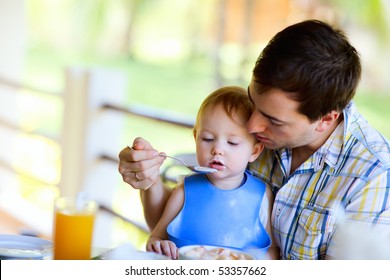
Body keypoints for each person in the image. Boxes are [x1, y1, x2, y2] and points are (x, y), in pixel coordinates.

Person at [118, 20, 390, 260]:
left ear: (326, 120)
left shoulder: (371, 176)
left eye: (273, 120)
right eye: (253, 101)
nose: (252, 125)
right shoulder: (247, 134)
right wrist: (148, 180)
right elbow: (183, 221)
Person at [145, 86, 277, 259]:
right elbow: (155, 238)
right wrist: (160, 244)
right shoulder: (184, 191)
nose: (217, 149)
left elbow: (272, 251)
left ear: (254, 151)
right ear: (195, 138)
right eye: (207, 139)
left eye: (232, 142)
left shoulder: (262, 195)